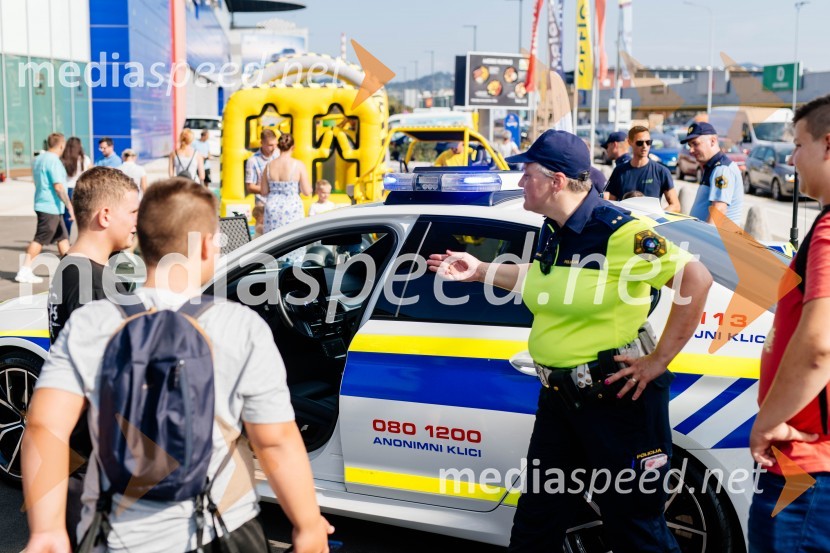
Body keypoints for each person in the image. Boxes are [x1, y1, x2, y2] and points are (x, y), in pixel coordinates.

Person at [427, 130, 712, 552]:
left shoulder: (618, 232)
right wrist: (480, 270)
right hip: (561, 398)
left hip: (617, 403)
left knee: (635, 530)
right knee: (536, 523)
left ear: (556, 181)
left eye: (527, 173)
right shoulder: (553, 228)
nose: (520, 181)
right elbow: (541, 280)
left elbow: (696, 278)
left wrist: (657, 361)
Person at [22, 178, 333, 553]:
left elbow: (44, 425)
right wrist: (307, 523)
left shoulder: (93, 323)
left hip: (114, 533)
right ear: (205, 245)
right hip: (218, 527)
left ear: (142, 242)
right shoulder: (239, 325)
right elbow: (276, 441)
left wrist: (48, 530)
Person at [748, 94, 830, 552]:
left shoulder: (827, 232)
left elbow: (820, 345)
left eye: (798, 145)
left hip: (806, 469)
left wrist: (768, 421)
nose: (792, 159)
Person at [46, 166, 138, 549]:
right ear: (105, 216)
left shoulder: (75, 270)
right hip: (100, 457)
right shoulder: (91, 283)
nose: (137, 223)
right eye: (132, 213)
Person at [15, 133, 75, 284]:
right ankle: (24, 270)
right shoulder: (53, 161)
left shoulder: (39, 159)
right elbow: (59, 186)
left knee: (63, 238)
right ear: (61, 145)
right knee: (40, 238)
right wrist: (70, 206)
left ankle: (70, 272)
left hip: (47, 204)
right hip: (50, 206)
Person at [605, 126, 681, 212]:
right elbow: (611, 204)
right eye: (640, 143)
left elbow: (675, 205)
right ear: (630, 142)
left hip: (650, 224)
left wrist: (658, 215)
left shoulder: (661, 171)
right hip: (627, 223)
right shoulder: (619, 171)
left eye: (648, 142)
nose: (645, 146)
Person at [681, 122, 744, 225]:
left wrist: (705, 239)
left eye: (695, 144)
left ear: (713, 141)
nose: (691, 150)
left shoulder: (722, 169)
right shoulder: (713, 167)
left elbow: (718, 210)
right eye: (689, 145)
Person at [260, 133, 311, 235]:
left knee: (272, 241)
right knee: (292, 240)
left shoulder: (269, 165)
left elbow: (264, 191)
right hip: (292, 207)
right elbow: (306, 192)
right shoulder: (298, 165)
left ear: (278, 146)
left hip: (272, 207)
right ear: (293, 147)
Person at [59, 136, 92, 235]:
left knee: (67, 217)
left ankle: (66, 239)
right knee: (83, 216)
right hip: (81, 189)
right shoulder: (84, 159)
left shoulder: (62, 160)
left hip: (67, 190)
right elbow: (90, 173)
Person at [246, 128, 279, 204]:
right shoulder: (253, 161)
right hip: (263, 202)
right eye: (270, 145)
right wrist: (273, 189)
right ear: (262, 143)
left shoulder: (279, 155)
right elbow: (250, 187)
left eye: (276, 145)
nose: (274, 148)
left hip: (278, 202)